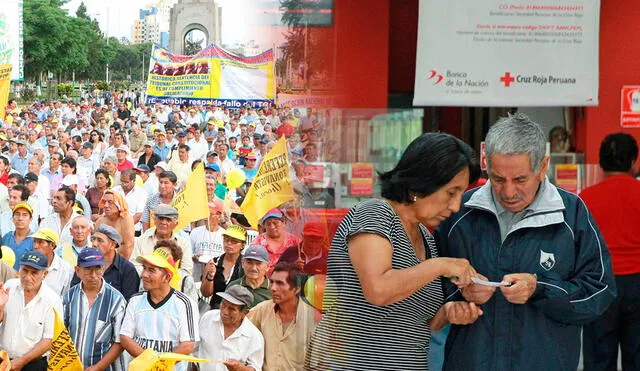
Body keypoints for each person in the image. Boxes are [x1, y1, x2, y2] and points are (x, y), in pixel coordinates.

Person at [435, 114, 616, 370]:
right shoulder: (460, 213)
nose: (508, 192)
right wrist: (457, 297)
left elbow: (599, 293)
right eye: (498, 179)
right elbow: (429, 286)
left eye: (520, 180)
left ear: (543, 167)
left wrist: (540, 288)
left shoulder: (572, 214)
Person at [305, 132, 481, 370]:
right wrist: (441, 266)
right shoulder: (375, 213)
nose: (456, 206)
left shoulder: (427, 239)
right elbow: (378, 290)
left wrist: (449, 313)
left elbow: (417, 322)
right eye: (451, 192)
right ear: (422, 181)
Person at [580, 132, 640, 370]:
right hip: (637, 285)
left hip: (600, 285)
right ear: (634, 160)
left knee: (597, 358)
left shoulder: (585, 199)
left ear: (601, 162)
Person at [120, 248, 199, 371]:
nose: (144, 274)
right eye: (144, 268)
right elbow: (125, 337)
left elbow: (188, 345)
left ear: (167, 277)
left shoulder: (184, 303)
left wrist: (161, 365)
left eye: (152, 270)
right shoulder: (135, 301)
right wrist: (151, 362)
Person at [63, 248, 127, 371]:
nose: (93, 275)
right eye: (87, 269)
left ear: (103, 269)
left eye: (97, 269)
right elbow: (61, 335)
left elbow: (120, 342)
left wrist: (98, 367)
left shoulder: (116, 300)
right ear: (77, 271)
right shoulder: (68, 298)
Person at [249, 262, 319, 371]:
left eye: (280, 283)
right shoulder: (262, 310)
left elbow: (320, 364)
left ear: (297, 289)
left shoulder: (313, 319)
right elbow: (241, 329)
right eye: (271, 282)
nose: (273, 288)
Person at [0, 251, 63, 371]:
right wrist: (0, 307)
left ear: (44, 274)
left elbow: (48, 340)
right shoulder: (9, 287)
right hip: (4, 359)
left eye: (34, 272)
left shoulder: (52, 300)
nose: (28, 277)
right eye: (25, 270)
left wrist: (22, 361)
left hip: (33, 364)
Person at [196, 285, 264, 371]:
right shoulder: (208, 318)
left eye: (232, 309)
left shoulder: (254, 336)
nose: (224, 312)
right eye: (223, 304)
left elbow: (255, 368)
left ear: (245, 313)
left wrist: (240, 368)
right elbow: (194, 348)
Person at [70, 224, 140, 301]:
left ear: (113, 245)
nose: (94, 244)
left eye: (100, 240)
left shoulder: (127, 269)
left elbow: (129, 301)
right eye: (93, 239)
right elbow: (74, 292)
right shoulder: (84, 261)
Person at [132, 204, 193, 277]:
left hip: (173, 285)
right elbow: (135, 265)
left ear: (175, 224)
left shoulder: (183, 243)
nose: (164, 222)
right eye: (161, 218)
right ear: (154, 220)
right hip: (145, 283)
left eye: (168, 220)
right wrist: (153, 276)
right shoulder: (141, 240)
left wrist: (164, 278)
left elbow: (186, 271)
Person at [201, 225, 246, 309]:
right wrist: (210, 277)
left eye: (234, 241)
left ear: (242, 245)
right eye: (226, 240)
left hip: (237, 309)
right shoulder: (213, 262)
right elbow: (205, 293)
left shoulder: (245, 265)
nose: (229, 243)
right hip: (215, 308)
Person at [252, 209, 301, 273]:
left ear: (283, 223)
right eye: (268, 224)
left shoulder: (294, 240)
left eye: (275, 223)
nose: (272, 227)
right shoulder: (258, 241)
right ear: (264, 226)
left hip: (289, 278)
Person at [30, 227, 73, 296]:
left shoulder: (65, 269)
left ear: (52, 245)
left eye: (40, 242)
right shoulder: (29, 263)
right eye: (34, 241)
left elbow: (66, 296)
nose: (35, 246)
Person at [190, 199, 225, 282]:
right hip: (197, 277)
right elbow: (189, 254)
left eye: (210, 214)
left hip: (217, 278)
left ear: (219, 216)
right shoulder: (195, 232)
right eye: (205, 213)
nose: (206, 217)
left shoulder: (224, 235)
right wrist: (196, 257)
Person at [95, 190, 135, 259]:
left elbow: (128, 246)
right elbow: (95, 244)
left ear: (118, 204)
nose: (106, 205)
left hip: (122, 260)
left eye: (110, 202)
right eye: (104, 202)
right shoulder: (100, 221)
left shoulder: (126, 219)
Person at [2, 202, 35, 270]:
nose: (20, 218)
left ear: (30, 219)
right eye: (17, 214)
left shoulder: (35, 240)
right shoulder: (7, 237)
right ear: (12, 218)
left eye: (25, 215)